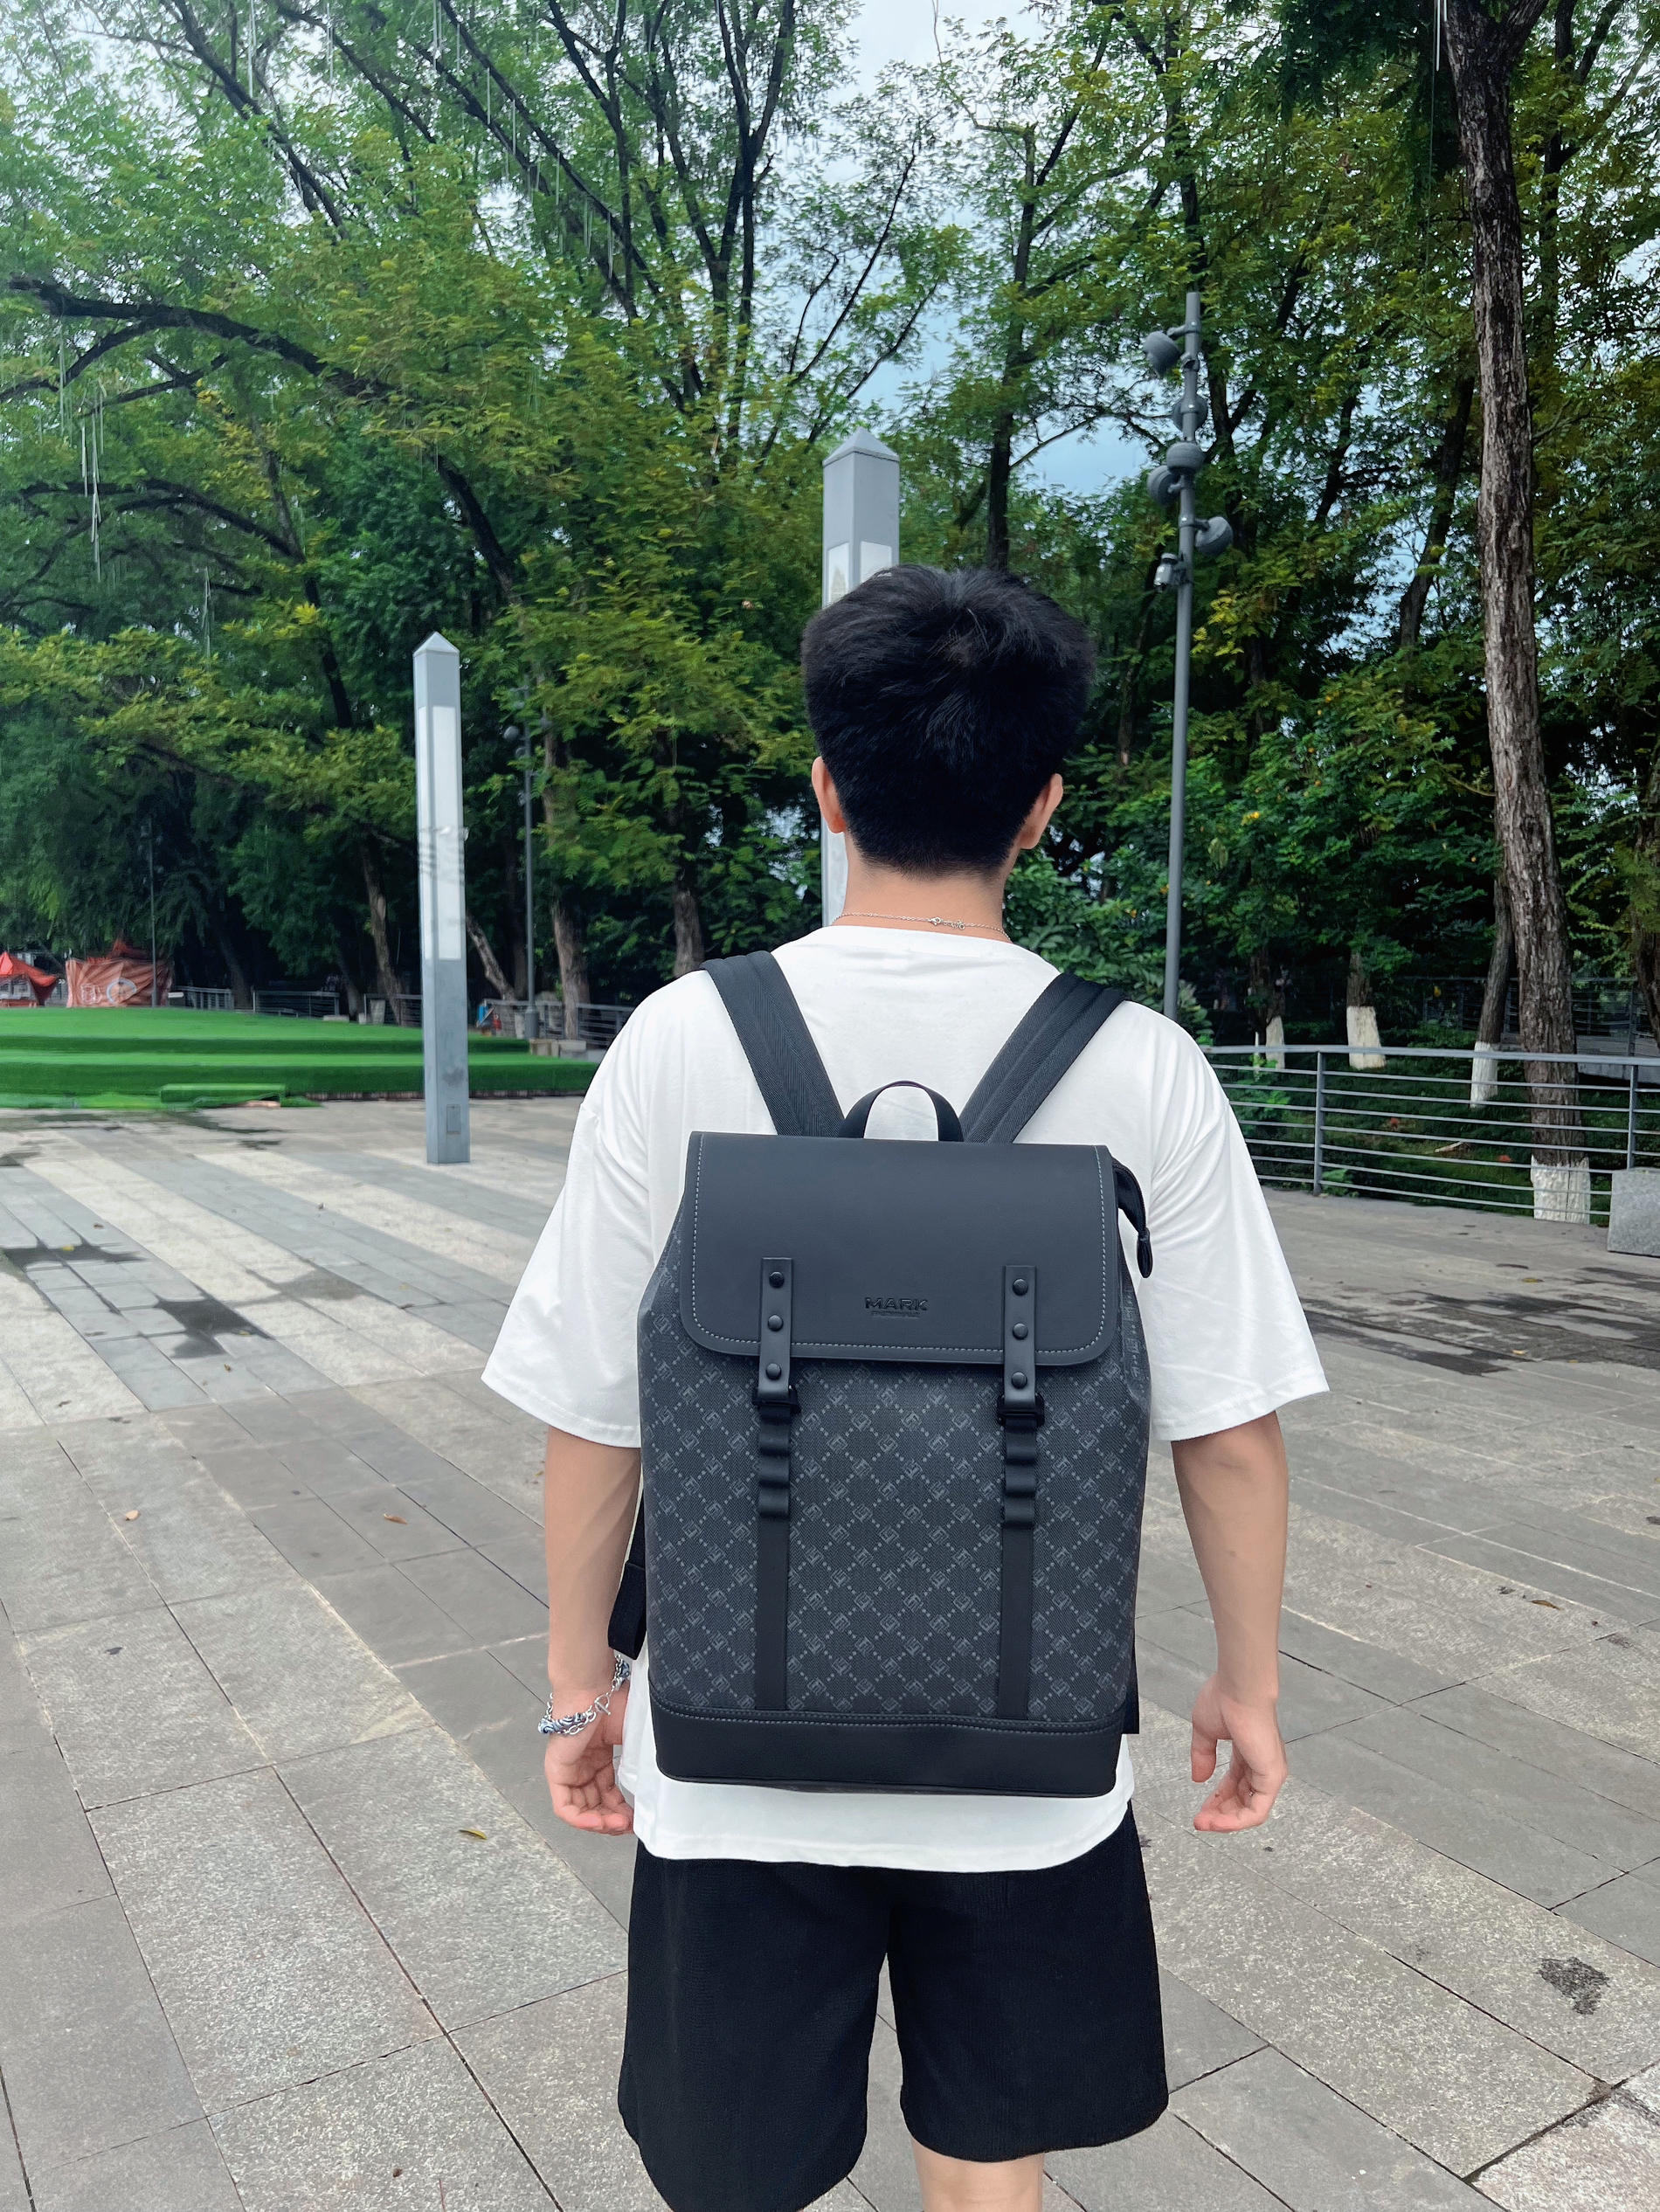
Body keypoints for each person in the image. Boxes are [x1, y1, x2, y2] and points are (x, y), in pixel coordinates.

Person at [484, 564, 1326, 2212]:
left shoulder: (679, 1040)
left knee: (733, 2170)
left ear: (827, 789)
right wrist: (1249, 1687)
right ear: (1043, 806)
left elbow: (595, 1418)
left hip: (731, 1758)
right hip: (1030, 1762)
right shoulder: (1143, 1065)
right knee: (990, 2157)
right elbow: (1228, 1434)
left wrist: (583, 1690)